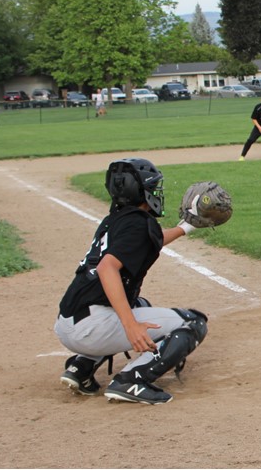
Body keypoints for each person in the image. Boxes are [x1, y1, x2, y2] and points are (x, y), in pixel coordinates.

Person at [55, 158, 209, 405]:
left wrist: (186, 227)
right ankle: (131, 380)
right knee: (192, 323)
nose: (156, 192)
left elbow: (149, 239)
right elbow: (107, 268)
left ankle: (81, 367)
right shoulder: (139, 224)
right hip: (90, 329)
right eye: (152, 187)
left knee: (141, 303)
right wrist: (130, 326)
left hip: (69, 323)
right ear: (141, 192)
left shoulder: (115, 220)